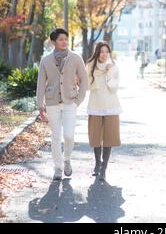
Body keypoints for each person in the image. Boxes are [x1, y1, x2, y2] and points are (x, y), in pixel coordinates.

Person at [36, 28, 88, 181]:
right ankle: (58, 168)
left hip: (70, 102)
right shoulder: (45, 61)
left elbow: (84, 79)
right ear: (53, 42)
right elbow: (40, 84)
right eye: (60, 39)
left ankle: (67, 159)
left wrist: (78, 100)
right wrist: (41, 105)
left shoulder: (76, 58)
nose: (64, 42)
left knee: (69, 135)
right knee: (56, 137)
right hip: (52, 103)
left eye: (65, 39)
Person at [85, 41, 122, 181]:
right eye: (101, 51)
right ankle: (97, 163)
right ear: (97, 52)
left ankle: (104, 168)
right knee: (95, 138)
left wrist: (108, 73)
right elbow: (87, 85)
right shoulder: (90, 65)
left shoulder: (114, 67)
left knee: (109, 138)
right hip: (95, 106)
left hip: (111, 106)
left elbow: (114, 87)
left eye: (106, 51)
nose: (104, 54)